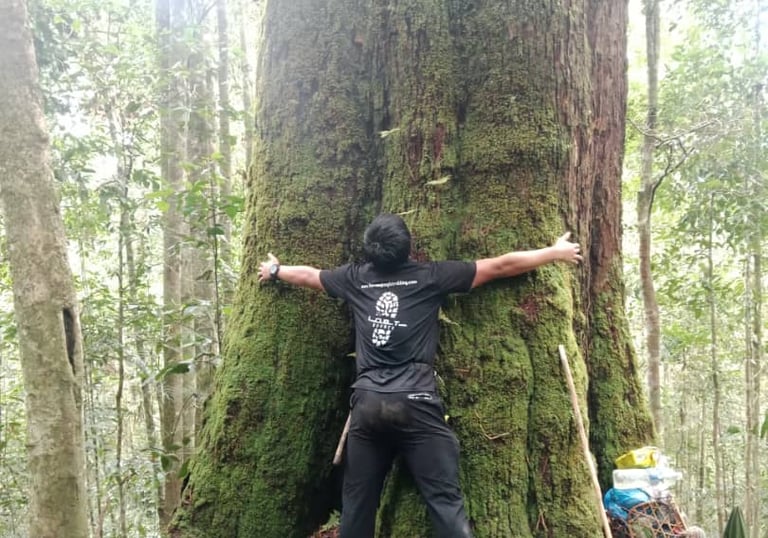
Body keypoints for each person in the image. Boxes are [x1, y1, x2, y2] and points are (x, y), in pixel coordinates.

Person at [258, 213, 582, 538]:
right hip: (416, 403)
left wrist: (275, 271)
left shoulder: (355, 278)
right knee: (443, 500)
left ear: (369, 250)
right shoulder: (431, 276)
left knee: (357, 502)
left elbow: (311, 276)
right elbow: (499, 266)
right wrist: (554, 253)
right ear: (408, 247)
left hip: (368, 405)